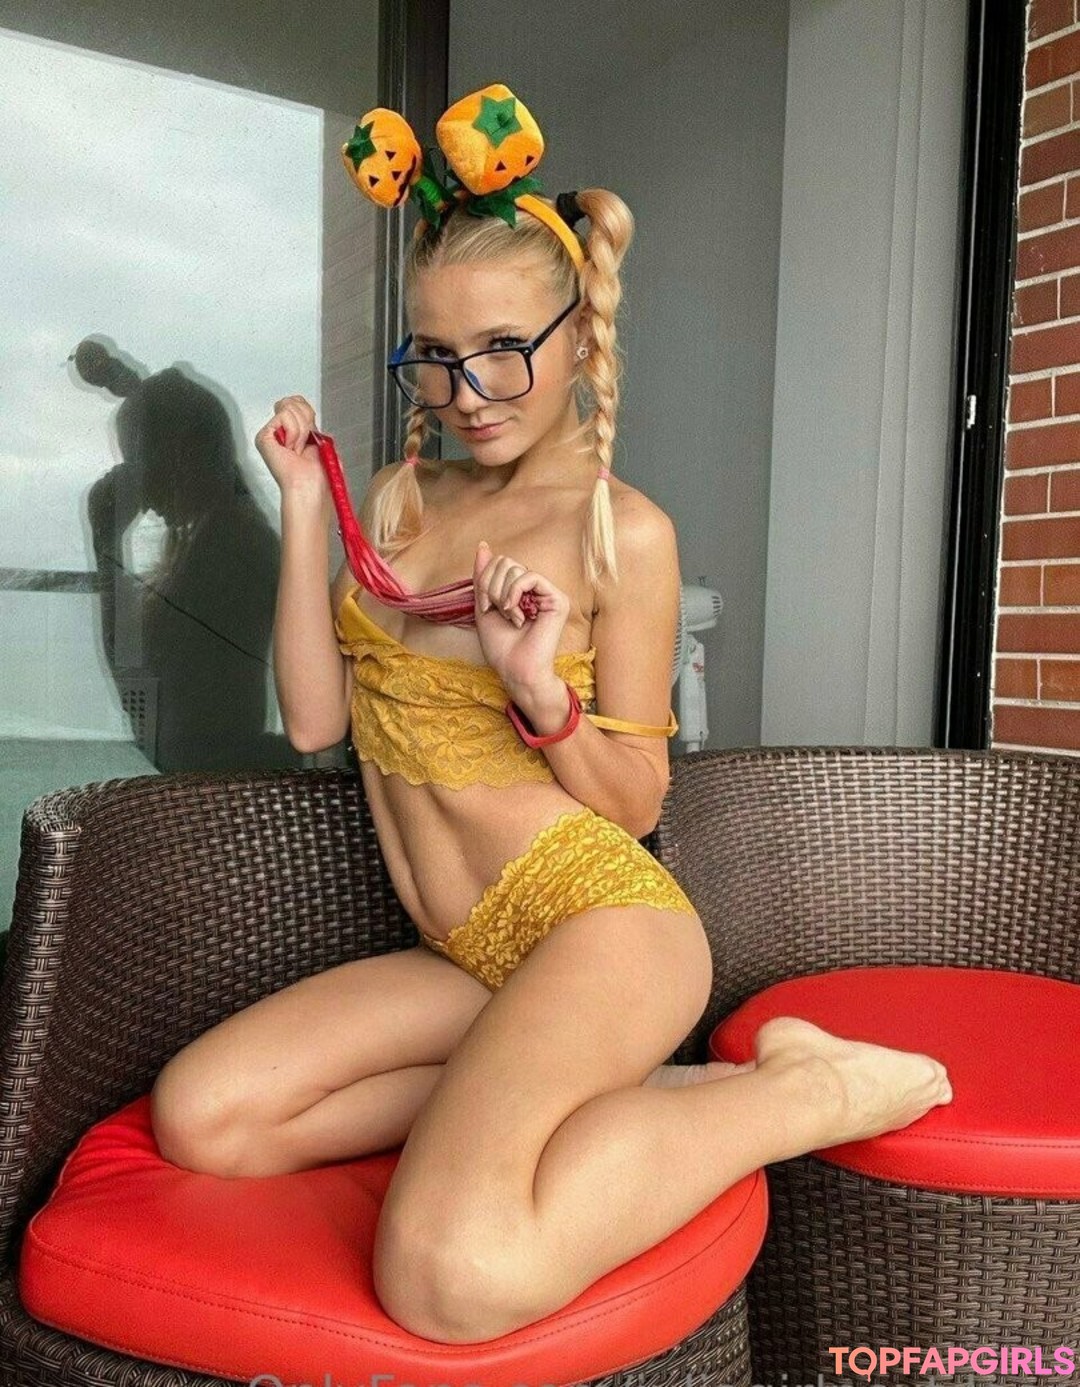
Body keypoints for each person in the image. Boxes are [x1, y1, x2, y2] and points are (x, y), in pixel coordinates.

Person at [149, 85, 953, 1347]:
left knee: (449, 1274)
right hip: (465, 959)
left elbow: (638, 805)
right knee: (206, 1117)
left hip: (600, 928)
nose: (469, 391)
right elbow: (312, 720)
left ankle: (803, 1090)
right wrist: (302, 505)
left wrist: (540, 693)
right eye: (436, 356)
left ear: (580, 339)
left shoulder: (623, 532)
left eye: (504, 348)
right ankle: (580, 1087)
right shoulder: (400, 499)